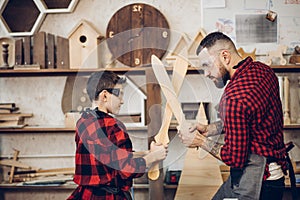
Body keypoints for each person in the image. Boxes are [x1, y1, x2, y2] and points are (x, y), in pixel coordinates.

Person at [179, 32, 288, 200]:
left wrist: (200, 141)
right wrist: (210, 129)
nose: (206, 73)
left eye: (207, 65)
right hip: (277, 176)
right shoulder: (263, 71)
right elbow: (249, 120)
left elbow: (234, 158)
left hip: (259, 181)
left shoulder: (234, 98)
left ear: (225, 56)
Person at [67, 70, 168, 200]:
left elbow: (109, 156)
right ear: (104, 96)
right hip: (109, 196)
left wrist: (148, 152)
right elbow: (126, 170)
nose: (122, 101)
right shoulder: (113, 126)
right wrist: (152, 157)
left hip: (87, 194)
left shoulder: (83, 121)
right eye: (119, 95)